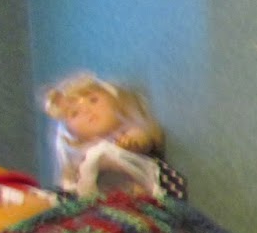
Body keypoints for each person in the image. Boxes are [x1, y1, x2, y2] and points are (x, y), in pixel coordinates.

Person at [41, 72, 186, 199]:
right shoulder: (79, 157)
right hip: (99, 202)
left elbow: (145, 135)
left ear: (115, 102)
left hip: (140, 186)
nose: (86, 110)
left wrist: (133, 141)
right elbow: (70, 183)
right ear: (70, 131)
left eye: (93, 100)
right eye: (75, 113)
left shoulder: (125, 133)